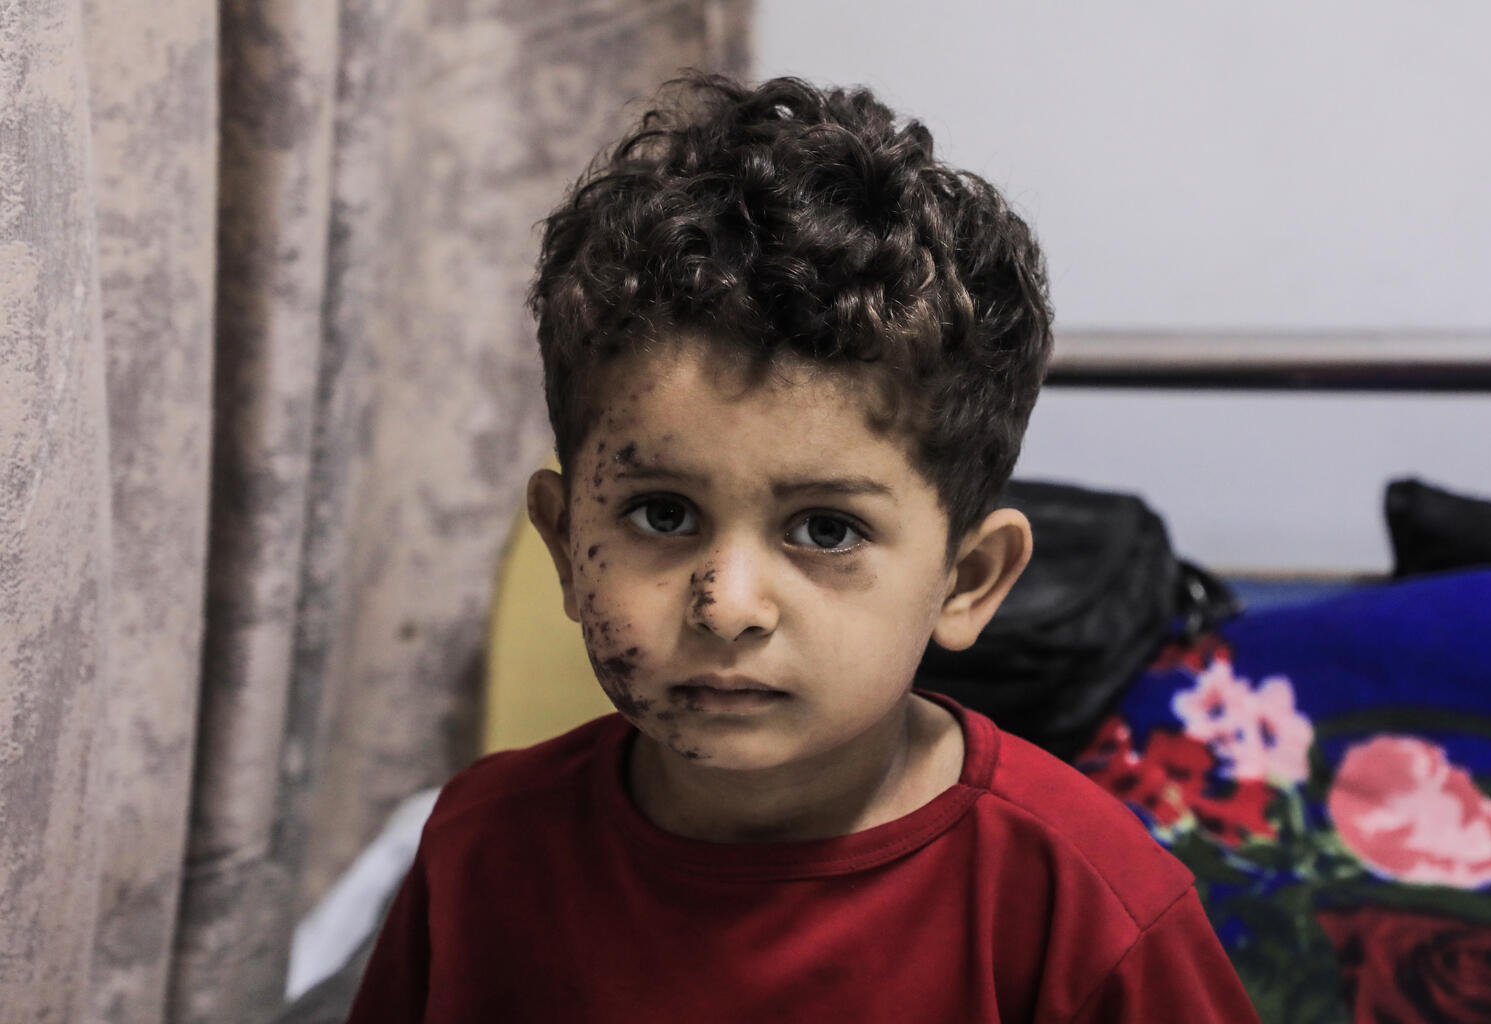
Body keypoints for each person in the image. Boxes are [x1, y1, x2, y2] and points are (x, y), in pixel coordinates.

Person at [345, 74, 1259, 1023]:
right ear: (567, 542)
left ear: (968, 581)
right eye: (662, 515)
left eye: (828, 530)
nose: (728, 606)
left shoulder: (1084, 904)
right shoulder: (480, 852)